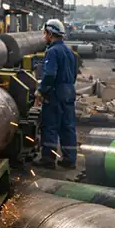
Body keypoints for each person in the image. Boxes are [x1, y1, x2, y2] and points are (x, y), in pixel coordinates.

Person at [33, 19, 77, 170]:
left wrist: (41, 90)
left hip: (55, 93)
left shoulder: (52, 51)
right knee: (68, 126)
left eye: (45, 33)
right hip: (69, 91)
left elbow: (50, 74)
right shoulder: (69, 51)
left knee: (50, 125)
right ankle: (69, 159)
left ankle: (48, 158)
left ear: (50, 34)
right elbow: (74, 74)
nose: (44, 36)